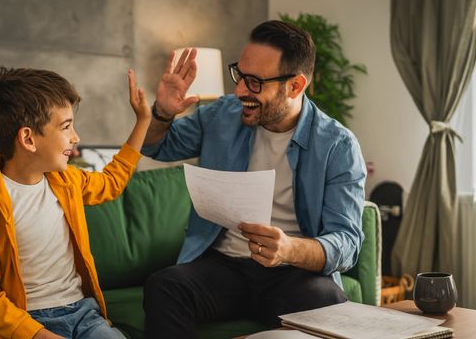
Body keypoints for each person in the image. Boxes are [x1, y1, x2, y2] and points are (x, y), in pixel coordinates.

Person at [142, 20, 367, 337]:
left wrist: (288, 249)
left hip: (292, 273)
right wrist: (163, 113)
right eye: (239, 74)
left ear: (295, 86)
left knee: (329, 300)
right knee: (164, 285)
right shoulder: (222, 114)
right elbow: (156, 145)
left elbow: (346, 243)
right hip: (224, 266)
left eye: (254, 82)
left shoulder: (337, 146)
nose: (239, 91)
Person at [0, 66, 150, 339]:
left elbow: (111, 183)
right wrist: (37, 334)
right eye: (66, 126)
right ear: (27, 139)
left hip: (83, 315)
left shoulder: (66, 180)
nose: (76, 137)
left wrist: (142, 120)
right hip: (21, 324)